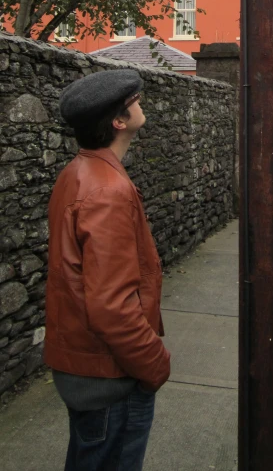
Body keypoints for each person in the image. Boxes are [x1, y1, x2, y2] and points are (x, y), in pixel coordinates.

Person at [44, 69, 170, 471]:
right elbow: (111, 306)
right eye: (134, 101)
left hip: (85, 373)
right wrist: (154, 363)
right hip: (110, 380)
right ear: (119, 121)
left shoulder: (76, 173)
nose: (141, 104)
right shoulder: (108, 192)